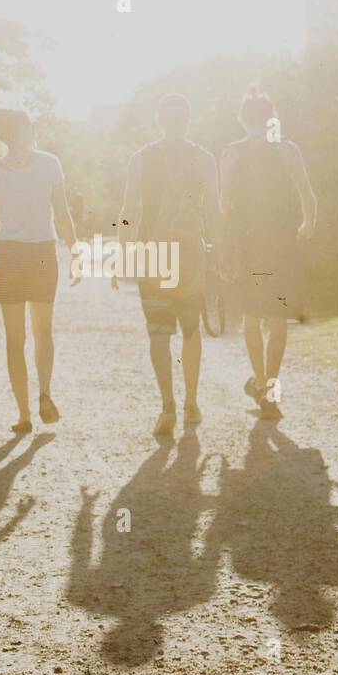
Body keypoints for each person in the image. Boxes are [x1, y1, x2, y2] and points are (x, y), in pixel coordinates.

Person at [117, 94, 219, 438]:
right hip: (190, 253)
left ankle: (167, 406)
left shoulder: (141, 159)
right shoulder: (203, 158)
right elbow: (215, 211)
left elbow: (129, 210)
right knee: (191, 331)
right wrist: (218, 254)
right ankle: (191, 402)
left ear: (159, 120)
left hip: (154, 255)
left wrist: (122, 255)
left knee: (159, 334)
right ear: (188, 120)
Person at [0, 109, 79, 432]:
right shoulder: (50, 164)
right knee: (42, 332)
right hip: (43, 253)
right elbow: (62, 213)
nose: (34, 130)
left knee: (14, 340)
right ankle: (44, 393)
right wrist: (75, 251)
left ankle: (23, 415)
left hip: (9, 257)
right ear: (21, 130)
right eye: (30, 125)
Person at [219, 87, 316, 421]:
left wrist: (226, 247)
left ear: (242, 118)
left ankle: (261, 383)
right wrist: (307, 226)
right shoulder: (287, 150)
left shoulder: (231, 153)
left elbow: (223, 207)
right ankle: (269, 391)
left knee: (251, 318)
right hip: (282, 244)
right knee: (277, 319)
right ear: (272, 117)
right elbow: (307, 194)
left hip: (249, 244)